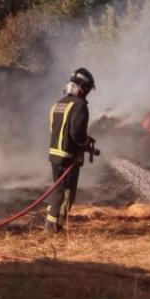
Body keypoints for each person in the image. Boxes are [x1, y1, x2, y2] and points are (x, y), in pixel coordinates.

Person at [45, 68, 96, 234]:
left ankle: (52, 223)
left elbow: (54, 128)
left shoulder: (58, 104)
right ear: (82, 87)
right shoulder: (79, 105)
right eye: (87, 89)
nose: (87, 93)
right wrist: (86, 142)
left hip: (55, 154)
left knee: (58, 189)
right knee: (67, 192)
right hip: (68, 156)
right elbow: (76, 134)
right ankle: (53, 227)